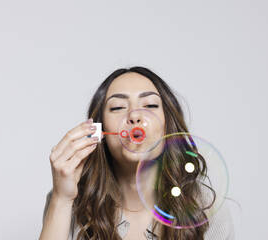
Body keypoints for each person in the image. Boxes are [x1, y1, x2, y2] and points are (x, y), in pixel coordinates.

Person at [39, 66, 235, 240]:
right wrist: (61, 199)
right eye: (117, 107)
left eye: (150, 105)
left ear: (168, 125)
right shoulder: (70, 199)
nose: (134, 116)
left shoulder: (204, 208)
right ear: (100, 130)